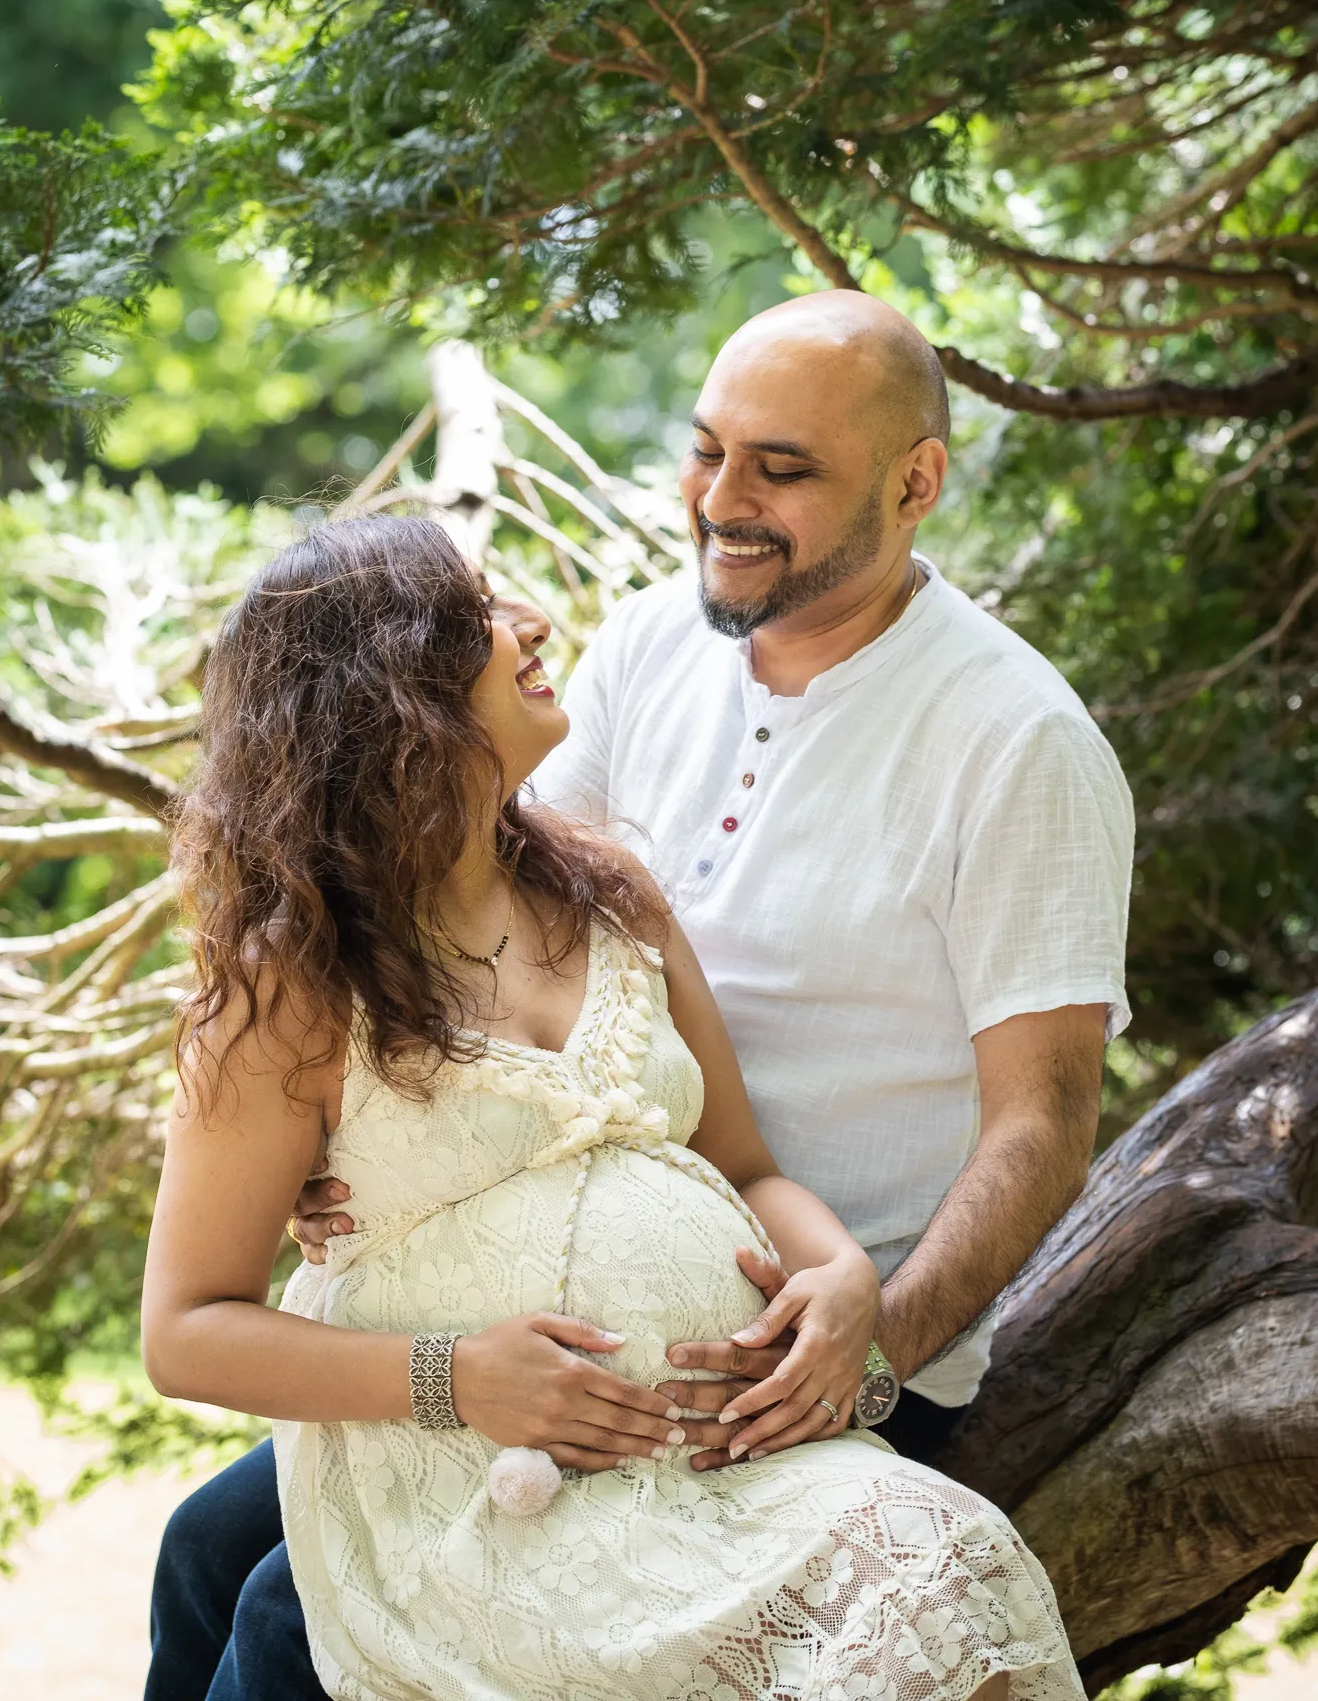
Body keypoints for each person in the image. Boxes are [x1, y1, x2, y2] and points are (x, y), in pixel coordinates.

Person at [146, 290, 1132, 1698]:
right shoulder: (660, 644)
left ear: (915, 482)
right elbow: (464, 889)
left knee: (280, 1618)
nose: (721, 501)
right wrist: (334, 1126)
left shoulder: (1017, 742)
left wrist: (871, 1342)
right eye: (707, 450)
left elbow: (1040, 1124)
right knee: (206, 1553)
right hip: (516, 1346)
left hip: (792, 1352)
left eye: (781, 468)